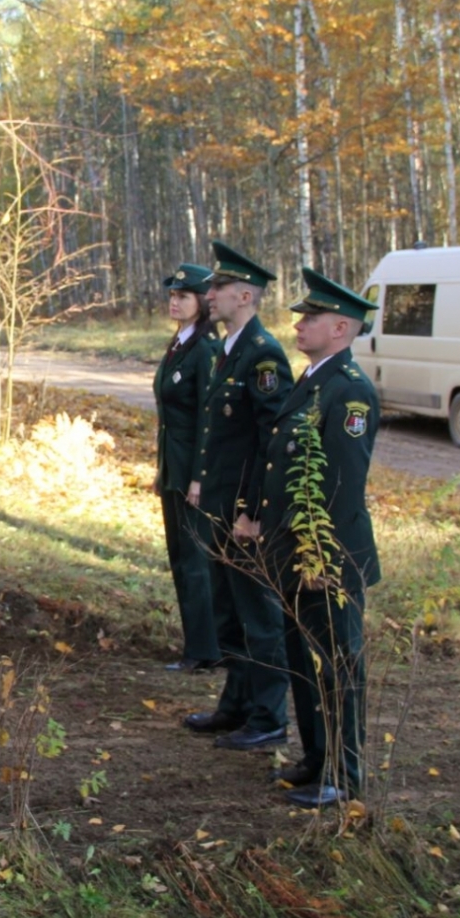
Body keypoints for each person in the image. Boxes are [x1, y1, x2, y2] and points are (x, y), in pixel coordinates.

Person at [255, 267, 381, 808]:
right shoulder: (312, 380)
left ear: (343, 329)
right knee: (302, 663)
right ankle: (316, 758)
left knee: (338, 666)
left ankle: (345, 776)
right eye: (302, 316)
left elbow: (341, 487)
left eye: (313, 318)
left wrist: (319, 558)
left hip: (325, 556)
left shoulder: (349, 393)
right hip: (293, 551)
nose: (300, 324)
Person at [181, 242, 295, 750]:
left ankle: (269, 716)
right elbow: (217, 433)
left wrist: (253, 509)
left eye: (218, 288)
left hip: (244, 511)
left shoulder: (263, 355)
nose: (209, 294)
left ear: (244, 294)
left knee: (258, 614)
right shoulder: (228, 350)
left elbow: (272, 442)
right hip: (220, 503)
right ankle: (237, 704)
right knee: (228, 608)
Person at [152, 264, 221, 672]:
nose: (175, 300)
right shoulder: (179, 342)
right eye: (173, 294)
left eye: (184, 295)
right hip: (174, 469)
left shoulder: (205, 349)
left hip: (193, 474)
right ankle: (196, 643)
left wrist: (200, 475)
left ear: (203, 303)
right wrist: (164, 470)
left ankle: (206, 649)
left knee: (196, 561)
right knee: (180, 557)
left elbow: (207, 420)